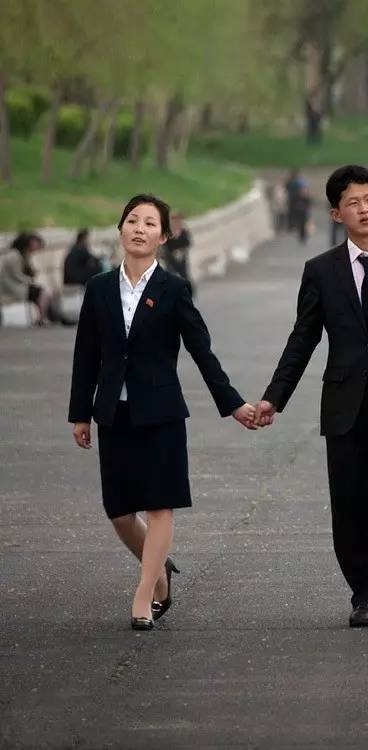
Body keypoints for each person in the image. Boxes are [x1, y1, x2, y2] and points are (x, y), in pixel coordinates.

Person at [254, 165, 368, 627]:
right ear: (337, 214)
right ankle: (367, 595)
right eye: (352, 203)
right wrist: (274, 398)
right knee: (349, 504)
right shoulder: (320, 271)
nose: (363, 209)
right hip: (344, 403)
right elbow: (302, 339)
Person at [68, 193, 257, 631]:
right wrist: (80, 413)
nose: (139, 229)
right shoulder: (99, 288)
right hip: (113, 413)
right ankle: (160, 568)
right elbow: (86, 355)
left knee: (159, 505)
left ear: (164, 236)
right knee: (119, 512)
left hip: (161, 413)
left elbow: (201, 351)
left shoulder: (174, 289)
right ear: (120, 229)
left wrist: (233, 404)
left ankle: (145, 594)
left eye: (150, 223)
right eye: (132, 220)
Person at [0, 232, 70, 326]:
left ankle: (52, 318)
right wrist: (30, 281)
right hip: (13, 289)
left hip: (18, 287)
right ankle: (43, 318)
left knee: (44, 293)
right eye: (35, 243)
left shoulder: (23, 255)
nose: (37, 247)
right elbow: (17, 276)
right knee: (43, 293)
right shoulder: (14, 256)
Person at [160, 212, 194, 296]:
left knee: (184, 274)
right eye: (175, 221)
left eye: (178, 221)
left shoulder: (184, 232)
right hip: (170, 257)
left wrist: (181, 250)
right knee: (170, 275)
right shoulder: (168, 233)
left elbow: (188, 243)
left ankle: (189, 292)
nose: (177, 223)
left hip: (181, 257)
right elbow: (164, 244)